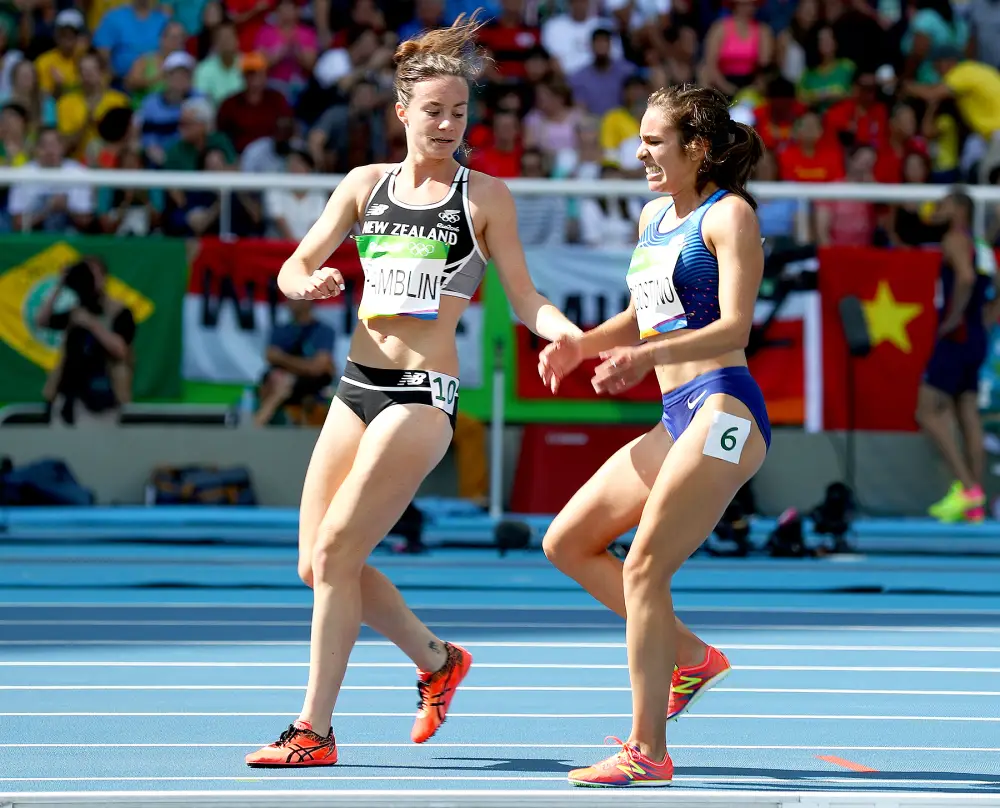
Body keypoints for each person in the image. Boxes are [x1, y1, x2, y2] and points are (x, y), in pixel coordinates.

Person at [245, 12, 582, 768]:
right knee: (315, 564)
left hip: (423, 394)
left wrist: (557, 329)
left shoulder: (485, 196)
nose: (448, 124)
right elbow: (292, 265)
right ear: (402, 112)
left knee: (336, 552)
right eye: (434, 111)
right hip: (356, 387)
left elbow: (525, 297)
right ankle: (437, 660)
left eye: (460, 112)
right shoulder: (365, 186)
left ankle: (313, 731)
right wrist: (311, 283)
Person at [537, 84, 770, 787]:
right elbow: (645, 311)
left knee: (642, 568)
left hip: (726, 412)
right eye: (639, 140)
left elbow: (734, 327)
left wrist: (645, 357)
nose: (640, 152)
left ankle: (648, 751)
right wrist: (582, 345)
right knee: (567, 542)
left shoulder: (731, 217)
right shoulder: (651, 215)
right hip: (677, 416)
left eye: (654, 141)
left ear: (696, 147)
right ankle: (693, 658)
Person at [918, 190, 1000, 523]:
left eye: (944, 205)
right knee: (966, 411)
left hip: (958, 335)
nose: (937, 209)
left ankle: (968, 489)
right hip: (976, 337)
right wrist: (986, 318)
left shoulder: (955, 239)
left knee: (925, 411)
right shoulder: (982, 246)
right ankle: (976, 507)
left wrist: (952, 320)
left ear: (960, 210)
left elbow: (965, 278)